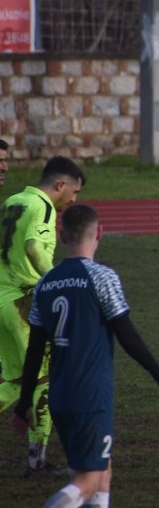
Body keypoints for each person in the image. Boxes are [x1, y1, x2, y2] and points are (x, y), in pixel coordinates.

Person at [5, 204, 159, 508]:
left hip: (60, 394)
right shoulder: (102, 277)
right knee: (89, 479)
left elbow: (35, 350)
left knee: (101, 473)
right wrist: (158, 372)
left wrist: (24, 401)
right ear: (98, 233)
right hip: (91, 395)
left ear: (61, 234)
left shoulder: (46, 284)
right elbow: (126, 333)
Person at [0, 156, 85, 473]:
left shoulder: (12, 201)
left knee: (16, 381)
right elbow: (35, 248)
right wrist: (58, 283)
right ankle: (37, 460)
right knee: (45, 377)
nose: (73, 201)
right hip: (22, 301)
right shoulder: (42, 206)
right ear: (60, 185)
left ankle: (37, 459)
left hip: (0, 298)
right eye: (73, 193)